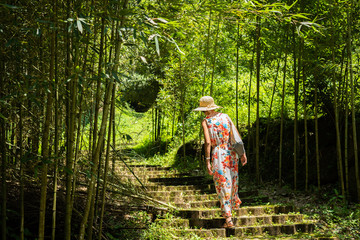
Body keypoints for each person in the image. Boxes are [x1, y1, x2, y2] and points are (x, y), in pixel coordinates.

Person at [193, 96, 247, 228]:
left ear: (205, 110)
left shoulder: (206, 121)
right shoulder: (226, 117)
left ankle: (228, 219)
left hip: (218, 154)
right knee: (232, 182)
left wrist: (207, 161)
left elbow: (207, 142)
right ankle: (230, 214)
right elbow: (236, 136)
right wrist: (242, 153)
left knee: (222, 185)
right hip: (231, 153)